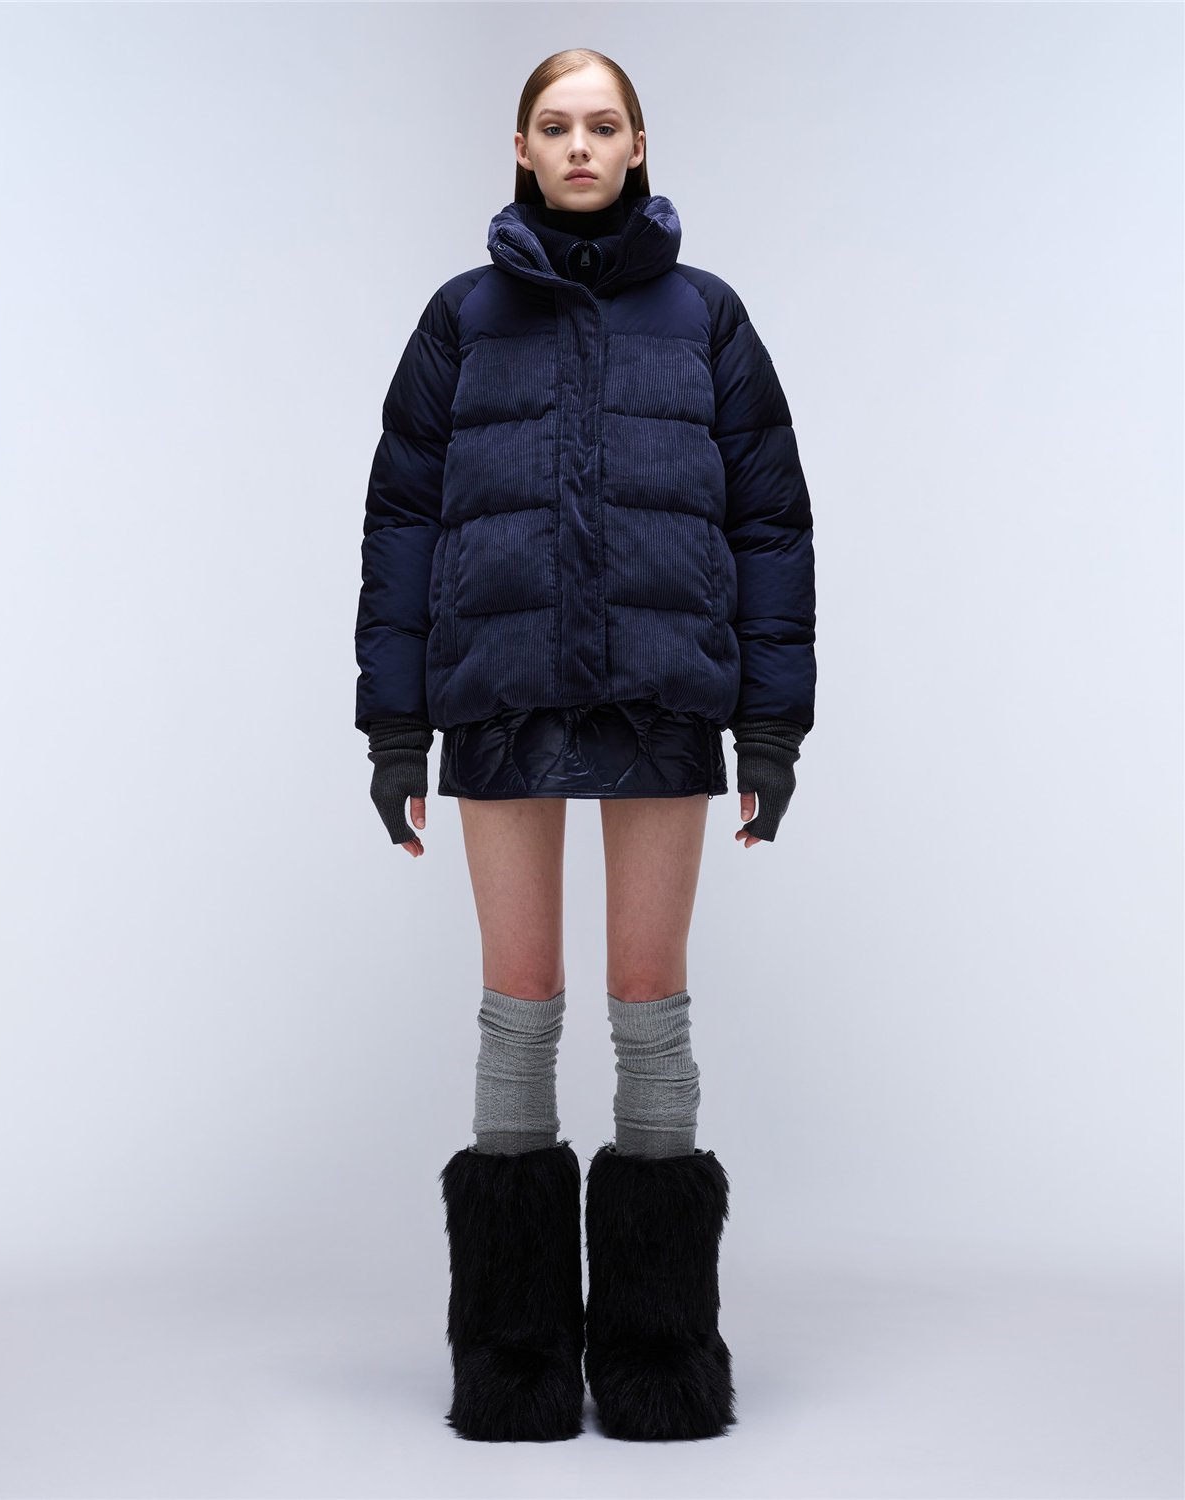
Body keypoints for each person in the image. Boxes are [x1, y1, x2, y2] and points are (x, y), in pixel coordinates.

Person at [353, 48, 817, 1444]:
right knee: (520, 1000)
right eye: (554, 125)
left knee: (649, 1000)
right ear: (520, 146)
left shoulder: (708, 317)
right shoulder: (460, 319)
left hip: (663, 695)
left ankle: (662, 1350)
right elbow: (403, 523)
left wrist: (771, 724)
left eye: (600, 125)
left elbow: (769, 524)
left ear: (636, 144)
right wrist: (395, 725)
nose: (577, 146)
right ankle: (514, 1357)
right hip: (498, 692)